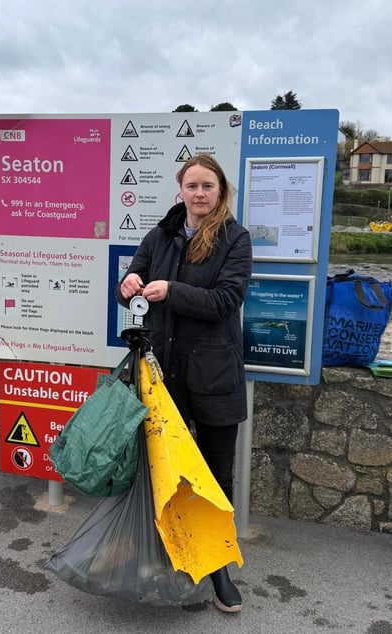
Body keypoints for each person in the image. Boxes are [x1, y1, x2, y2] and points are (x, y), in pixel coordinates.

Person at [116, 153, 252, 613]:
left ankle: (218, 570)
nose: (199, 194)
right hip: (164, 375)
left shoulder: (236, 239)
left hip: (214, 375)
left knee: (215, 477)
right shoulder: (159, 235)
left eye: (207, 186)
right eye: (191, 185)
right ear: (181, 190)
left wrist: (171, 290)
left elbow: (226, 300)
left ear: (220, 191)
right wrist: (130, 282)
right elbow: (128, 282)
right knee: (167, 476)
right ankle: (176, 563)